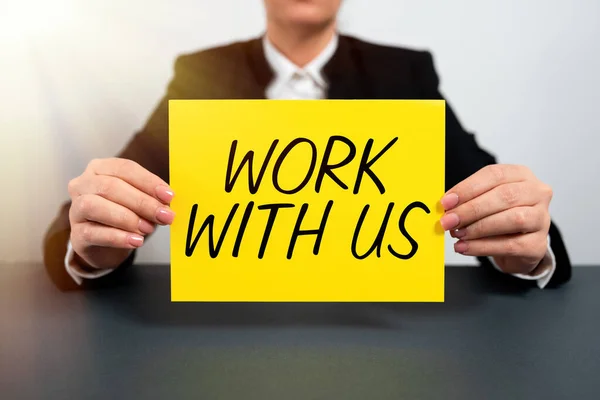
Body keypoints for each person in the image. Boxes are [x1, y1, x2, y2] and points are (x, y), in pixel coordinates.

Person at [44, 0, 571, 291]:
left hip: (377, 338)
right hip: (226, 336)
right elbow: (95, 211)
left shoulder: (402, 74)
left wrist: (525, 249)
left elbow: (495, 208)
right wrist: (94, 247)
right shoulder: (202, 74)